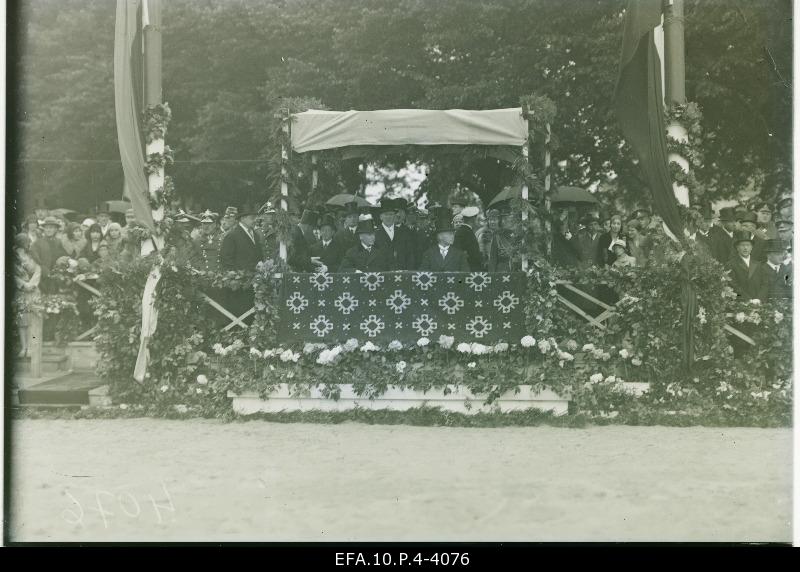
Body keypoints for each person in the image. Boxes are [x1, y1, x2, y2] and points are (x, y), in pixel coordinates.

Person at [218, 205, 266, 320]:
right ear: (242, 219)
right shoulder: (232, 235)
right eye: (251, 217)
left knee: (251, 313)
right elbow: (226, 260)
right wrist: (236, 277)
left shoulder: (254, 233)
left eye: (255, 217)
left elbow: (258, 255)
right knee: (239, 313)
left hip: (254, 282)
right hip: (239, 284)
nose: (255, 220)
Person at [13, 233, 42, 358]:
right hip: (20, 292)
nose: (27, 244)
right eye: (25, 242)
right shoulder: (12, 257)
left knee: (32, 320)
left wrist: (32, 284)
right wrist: (23, 285)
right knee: (22, 321)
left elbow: (38, 270)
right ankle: (23, 347)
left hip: (33, 291)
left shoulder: (32, 255)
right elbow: (10, 274)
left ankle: (31, 347)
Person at [726, 231, 769, 301]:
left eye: (748, 245)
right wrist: (748, 299)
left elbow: (765, 284)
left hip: (758, 303)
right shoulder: (731, 264)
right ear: (737, 248)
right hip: (740, 302)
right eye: (742, 245)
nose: (745, 248)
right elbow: (733, 285)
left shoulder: (758, 264)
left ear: (751, 247)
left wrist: (759, 299)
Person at [31, 216, 68, 293]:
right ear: (43, 229)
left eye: (51, 228)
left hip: (56, 274)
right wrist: (43, 269)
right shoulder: (37, 243)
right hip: (42, 276)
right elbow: (35, 258)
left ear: (55, 229)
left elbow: (63, 255)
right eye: (46, 228)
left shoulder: (58, 242)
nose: (48, 230)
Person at [375, 199, 414, 270]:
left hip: (402, 275)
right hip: (382, 275)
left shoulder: (403, 233)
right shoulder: (375, 234)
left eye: (391, 214)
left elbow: (409, 256)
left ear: (394, 216)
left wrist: (408, 273)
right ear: (381, 217)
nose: (388, 217)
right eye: (386, 214)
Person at [452, 205, 482, 271]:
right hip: (468, 269)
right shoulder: (466, 232)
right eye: (476, 217)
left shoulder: (463, 231)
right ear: (473, 219)